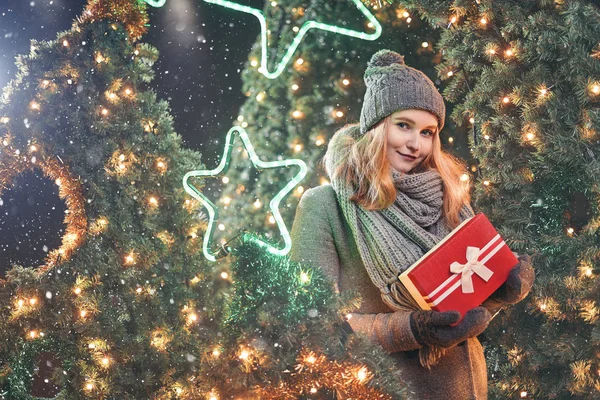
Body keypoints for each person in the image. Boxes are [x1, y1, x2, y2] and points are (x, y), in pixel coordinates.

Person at [289, 49, 535, 399]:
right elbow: (313, 325)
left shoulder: (447, 197)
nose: (414, 143)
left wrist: (499, 293)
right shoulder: (324, 206)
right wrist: (412, 329)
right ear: (375, 126)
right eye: (403, 125)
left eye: (427, 132)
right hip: (385, 390)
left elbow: (461, 313)